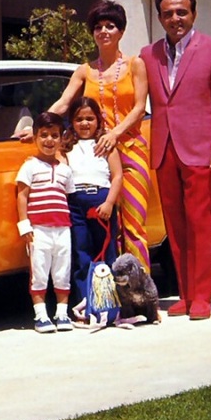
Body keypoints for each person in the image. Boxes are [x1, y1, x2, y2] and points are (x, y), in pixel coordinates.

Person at [141, 0, 211, 320]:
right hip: (164, 149)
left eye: (181, 12)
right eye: (168, 13)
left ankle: (202, 296)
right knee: (176, 224)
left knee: (201, 223)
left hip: (201, 150)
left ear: (193, 14)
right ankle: (184, 294)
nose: (175, 19)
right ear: (159, 18)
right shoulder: (148, 54)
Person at [49, 0, 152, 273]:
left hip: (130, 148)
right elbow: (64, 102)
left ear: (121, 31)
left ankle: (139, 296)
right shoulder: (85, 70)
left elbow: (140, 107)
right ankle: (111, 296)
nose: (104, 31)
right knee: (107, 227)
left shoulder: (135, 64)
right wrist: (40, 125)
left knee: (134, 224)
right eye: (98, 27)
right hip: (95, 155)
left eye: (111, 26)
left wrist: (115, 133)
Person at [15, 111, 76, 333]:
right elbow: (22, 195)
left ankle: (62, 313)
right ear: (35, 137)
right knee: (39, 272)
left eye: (54, 135)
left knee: (62, 270)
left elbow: (67, 197)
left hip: (62, 228)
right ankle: (41, 315)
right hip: (38, 229)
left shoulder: (65, 170)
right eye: (44, 135)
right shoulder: (30, 166)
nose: (49, 140)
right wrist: (24, 225)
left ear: (62, 138)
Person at [64, 95, 123, 316]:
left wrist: (109, 203)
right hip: (76, 203)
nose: (85, 124)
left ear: (98, 120)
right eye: (79, 119)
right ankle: (86, 306)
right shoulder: (66, 146)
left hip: (101, 201)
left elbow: (117, 177)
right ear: (72, 121)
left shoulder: (106, 145)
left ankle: (108, 306)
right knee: (81, 253)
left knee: (106, 253)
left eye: (90, 118)